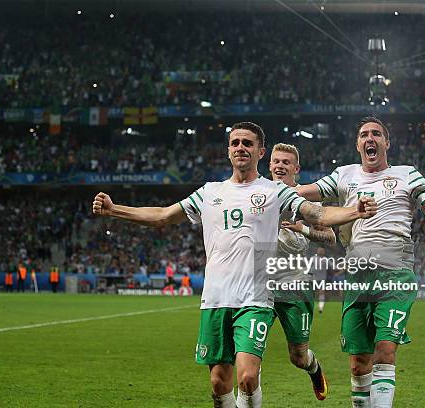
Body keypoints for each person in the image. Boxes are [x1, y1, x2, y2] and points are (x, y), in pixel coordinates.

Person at [92, 122, 377, 408]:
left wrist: (354, 211)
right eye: (235, 143)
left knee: (249, 377)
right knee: (218, 382)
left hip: (256, 298)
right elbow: (164, 215)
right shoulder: (209, 192)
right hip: (216, 299)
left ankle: (312, 369)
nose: (241, 147)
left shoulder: (274, 192)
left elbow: (317, 212)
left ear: (259, 151)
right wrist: (115, 209)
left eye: (248, 143)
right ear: (228, 150)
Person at [296, 116, 425, 408]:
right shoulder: (343, 176)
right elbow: (299, 193)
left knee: (384, 351)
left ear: (386, 143)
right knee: (358, 364)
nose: (370, 138)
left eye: (376, 134)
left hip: (395, 276)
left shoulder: (408, 175)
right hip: (357, 279)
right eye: (364, 135)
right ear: (358, 144)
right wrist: (264, 191)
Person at [268, 143, 335, 400]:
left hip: (295, 285)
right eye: (276, 161)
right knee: (248, 355)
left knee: (298, 357)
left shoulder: (305, 202)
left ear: (296, 168)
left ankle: (314, 369)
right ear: (269, 165)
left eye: (286, 162)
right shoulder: (257, 194)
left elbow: (330, 238)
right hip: (260, 285)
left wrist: (303, 230)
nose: (280, 166)